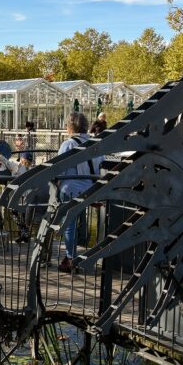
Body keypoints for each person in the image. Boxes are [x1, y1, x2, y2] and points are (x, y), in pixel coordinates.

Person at [57, 112, 103, 273]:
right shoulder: (94, 143)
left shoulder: (68, 144)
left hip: (70, 190)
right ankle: (76, 255)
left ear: (70, 126)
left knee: (68, 225)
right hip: (89, 190)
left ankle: (71, 258)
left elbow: (58, 168)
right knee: (80, 222)